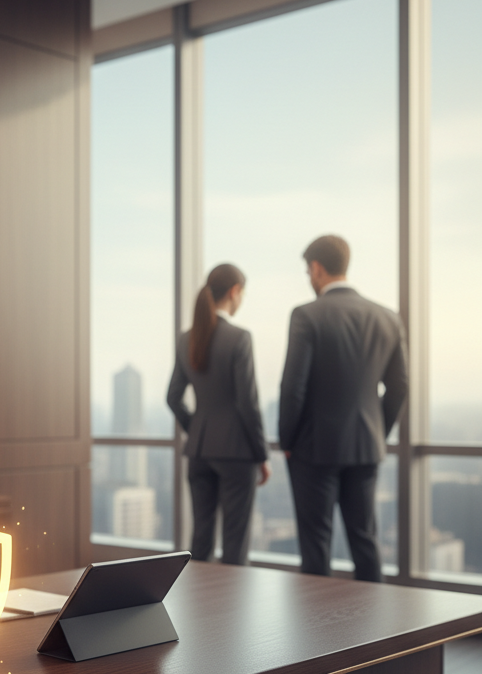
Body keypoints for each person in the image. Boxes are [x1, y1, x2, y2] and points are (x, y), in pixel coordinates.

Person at [279, 235, 408, 582]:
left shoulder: (306, 315)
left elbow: (293, 388)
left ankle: (320, 634)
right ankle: (377, 631)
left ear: (317, 269)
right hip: (366, 446)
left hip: (312, 449)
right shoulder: (388, 318)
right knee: (365, 540)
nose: (309, 278)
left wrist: (286, 441)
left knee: (316, 545)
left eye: (308, 271)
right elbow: (399, 387)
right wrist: (376, 430)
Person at [167, 264, 270, 565]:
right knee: (235, 545)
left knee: (200, 541)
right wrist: (261, 455)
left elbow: (173, 397)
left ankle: (198, 609)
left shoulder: (187, 338)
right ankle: (231, 612)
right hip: (237, 453)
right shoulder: (239, 338)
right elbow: (248, 403)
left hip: (199, 452)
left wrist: (197, 428)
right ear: (234, 291)